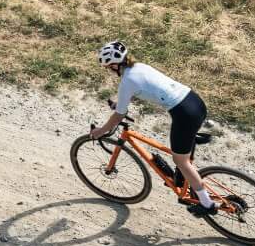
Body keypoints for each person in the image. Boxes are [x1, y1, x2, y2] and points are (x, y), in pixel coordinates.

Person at [86, 40, 216, 216]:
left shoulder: (126, 82)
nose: (109, 71)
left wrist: (100, 131)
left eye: (108, 67)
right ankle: (184, 170)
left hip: (184, 114)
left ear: (115, 65)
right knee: (182, 149)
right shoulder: (139, 67)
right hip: (194, 101)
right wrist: (120, 104)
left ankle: (207, 204)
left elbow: (118, 116)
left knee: (181, 161)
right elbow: (147, 87)